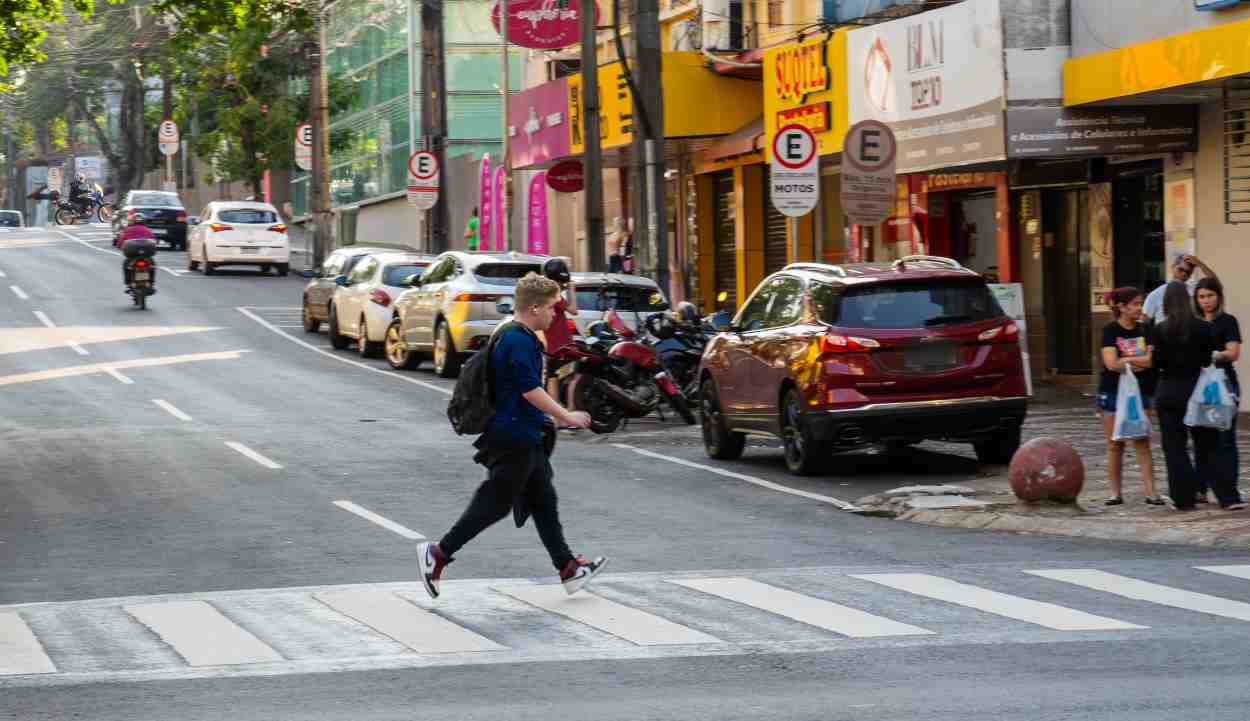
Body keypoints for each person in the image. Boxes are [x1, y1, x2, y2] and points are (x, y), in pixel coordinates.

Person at [416, 273, 604, 600]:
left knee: (544, 499)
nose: (555, 314)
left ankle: (568, 569)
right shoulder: (518, 339)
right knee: (494, 503)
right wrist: (567, 416)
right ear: (534, 308)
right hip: (512, 436)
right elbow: (530, 390)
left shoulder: (511, 331)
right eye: (551, 308)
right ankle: (438, 553)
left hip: (522, 433)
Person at [1149, 282, 1227, 511]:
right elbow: (1206, 360)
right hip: (1196, 390)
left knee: (1174, 447)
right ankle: (1220, 492)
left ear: (1166, 303)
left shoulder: (1160, 329)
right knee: (1206, 444)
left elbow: (1156, 363)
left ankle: (1182, 497)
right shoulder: (1203, 327)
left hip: (1168, 390)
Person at [1097, 287, 1161, 506]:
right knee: (1115, 443)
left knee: (1142, 440)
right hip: (1113, 390)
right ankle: (1115, 493)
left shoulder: (1145, 330)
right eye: (1134, 304)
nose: (1139, 308)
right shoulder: (1110, 331)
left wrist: (1124, 359)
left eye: (1140, 303)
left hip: (1140, 391)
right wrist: (1135, 360)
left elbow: (1150, 362)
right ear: (1121, 307)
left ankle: (1151, 492)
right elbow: (1110, 364)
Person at [1195, 277, 1244, 509]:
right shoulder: (1194, 323)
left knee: (1225, 440)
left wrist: (1214, 355)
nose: (1205, 301)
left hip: (1224, 385)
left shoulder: (1227, 321)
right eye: (1201, 297)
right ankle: (1201, 488)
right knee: (1202, 440)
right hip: (1199, 387)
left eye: (1209, 296)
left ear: (1218, 296)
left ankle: (1229, 491)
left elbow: (1233, 352)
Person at [540, 257, 579, 400]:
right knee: (574, 376)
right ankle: (571, 411)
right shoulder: (555, 295)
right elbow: (574, 310)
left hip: (549, 346)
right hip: (563, 345)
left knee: (552, 378)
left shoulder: (543, 293)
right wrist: (572, 290)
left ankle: (556, 416)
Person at [1143, 254, 1217, 323]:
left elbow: (1214, 283)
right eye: (1180, 269)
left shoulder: (1194, 289)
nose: (1184, 274)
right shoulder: (1156, 294)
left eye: (1188, 272)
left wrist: (1200, 264)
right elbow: (1143, 320)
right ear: (1172, 267)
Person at [116, 223, 157, 293]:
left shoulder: (128, 230)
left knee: (126, 264)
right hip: (146, 252)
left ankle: (128, 282)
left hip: (132, 253)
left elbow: (120, 242)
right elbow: (154, 241)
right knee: (152, 265)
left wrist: (119, 246)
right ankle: (151, 283)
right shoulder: (148, 230)